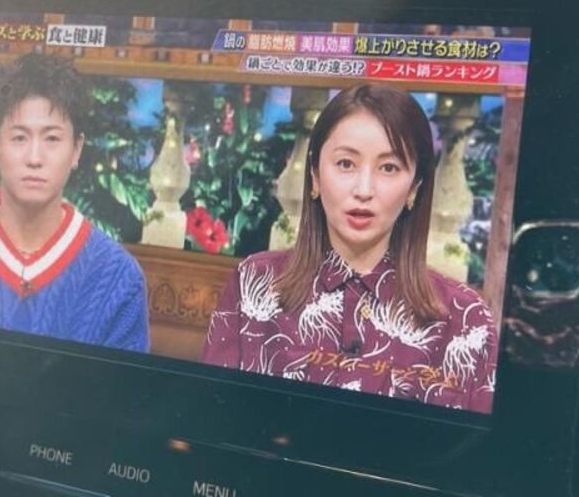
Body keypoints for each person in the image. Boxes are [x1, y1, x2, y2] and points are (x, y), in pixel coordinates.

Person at [203, 84, 497, 413]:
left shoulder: (465, 319)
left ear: (415, 188)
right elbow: (213, 420)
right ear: (315, 175)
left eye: (389, 167)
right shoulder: (253, 283)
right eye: (345, 163)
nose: (364, 189)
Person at [0, 53, 149, 352]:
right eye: (19, 138)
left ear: (76, 149)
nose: (34, 158)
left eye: (52, 139)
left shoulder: (118, 277)